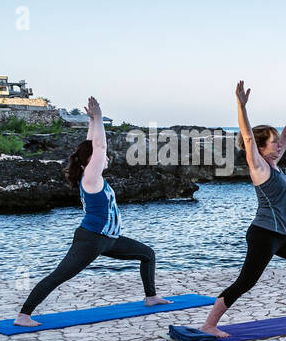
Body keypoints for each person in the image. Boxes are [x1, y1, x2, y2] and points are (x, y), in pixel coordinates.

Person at [199, 82, 286, 337]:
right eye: (273, 142)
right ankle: (209, 324)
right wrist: (241, 107)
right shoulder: (260, 168)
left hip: (282, 234)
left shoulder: (275, 163)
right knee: (246, 282)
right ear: (261, 148)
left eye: (278, 142)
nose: (279, 145)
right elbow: (247, 137)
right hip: (264, 234)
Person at [14, 97, 170, 326]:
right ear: (91, 160)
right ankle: (24, 315)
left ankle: (151, 297)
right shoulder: (90, 177)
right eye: (101, 157)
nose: (106, 158)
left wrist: (91, 121)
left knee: (147, 254)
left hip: (109, 240)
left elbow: (90, 145)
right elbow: (98, 146)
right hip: (91, 240)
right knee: (59, 276)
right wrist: (99, 116)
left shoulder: (90, 174)